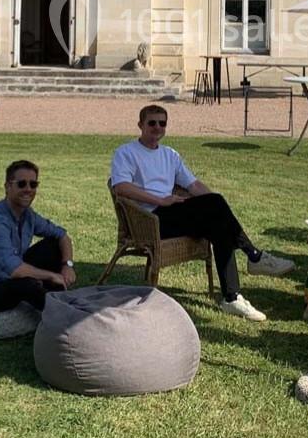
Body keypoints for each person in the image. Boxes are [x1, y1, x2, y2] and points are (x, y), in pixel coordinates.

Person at [109, 104, 294, 321]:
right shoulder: (126, 152)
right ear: (140, 125)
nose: (157, 127)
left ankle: (232, 298)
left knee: (219, 223)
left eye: (162, 123)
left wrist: (216, 204)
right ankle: (254, 257)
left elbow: (193, 185)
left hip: (173, 213)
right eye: (152, 123)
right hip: (150, 218)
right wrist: (161, 199)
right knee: (216, 211)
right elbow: (121, 187)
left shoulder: (170, 155)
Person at [0, 160, 75, 315]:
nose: (28, 189)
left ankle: (55, 299)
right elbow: (14, 269)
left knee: (53, 246)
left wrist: (67, 265)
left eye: (33, 184)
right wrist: (52, 275)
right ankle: (65, 314)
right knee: (26, 284)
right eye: (21, 184)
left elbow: (62, 235)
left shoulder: (28, 215)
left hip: (7, 278)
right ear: (7, 187)